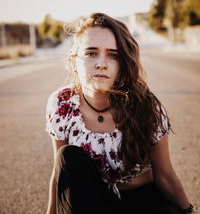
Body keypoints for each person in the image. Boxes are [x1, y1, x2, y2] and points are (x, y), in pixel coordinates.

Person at [45, 12, 194, 214]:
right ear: (74, 59)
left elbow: (165, 176)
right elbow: (61, 173)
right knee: (67, 156)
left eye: (113, 55)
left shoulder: (146, 105)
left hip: (143, 202)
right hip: (92, 203)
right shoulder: (61, 103)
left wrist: (188, 210)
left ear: (123, 62)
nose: (101, 63)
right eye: (91, 53)